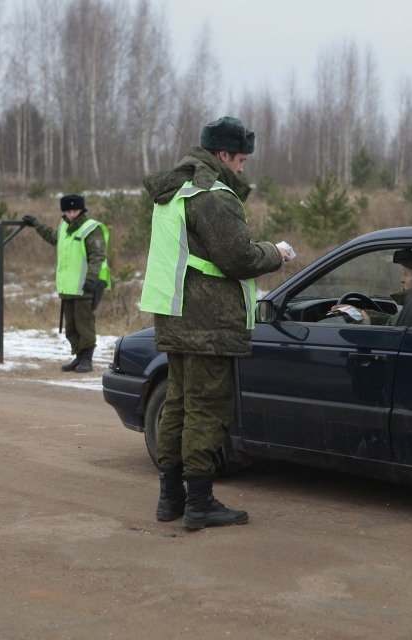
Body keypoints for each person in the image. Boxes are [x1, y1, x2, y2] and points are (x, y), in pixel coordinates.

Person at [139, 116, 293, 530]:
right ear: (223, 155)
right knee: (206, 410)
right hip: (207, 321)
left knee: (178, 406)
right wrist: (275, 253)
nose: (242, 168)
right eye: (241, 160)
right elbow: (238, 258)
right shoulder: (212, 196)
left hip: (175, 314)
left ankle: (171, 497)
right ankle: (200, 502)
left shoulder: (176, 189)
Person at [22, 194, 111, 373]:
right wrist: (36, 224)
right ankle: (78, 356)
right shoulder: (64, 226)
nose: (71, 214)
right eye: (68, 211)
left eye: (75, 210)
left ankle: (87, 359)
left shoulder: (90, 228)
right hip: (68, 287)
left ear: (82, 210)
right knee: (71, 326)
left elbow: (97, 256)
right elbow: (52, 237)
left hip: (86, 287)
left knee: (84, 324)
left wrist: (91, 279)